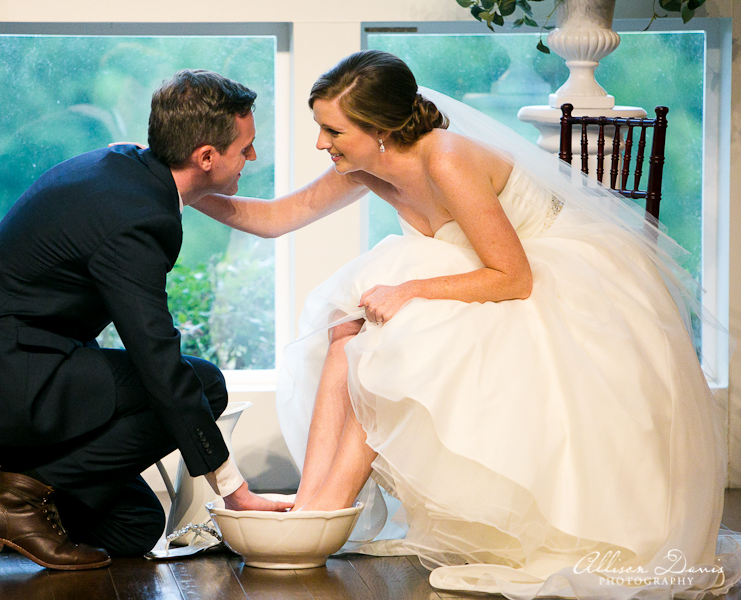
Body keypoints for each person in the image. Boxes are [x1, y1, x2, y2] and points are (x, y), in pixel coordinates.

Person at [193, 50, 738, 598]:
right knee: (346, 319)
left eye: (332, 130)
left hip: (538, 277)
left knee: (389, 339)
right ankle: (315, 506)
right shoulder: (366, 163)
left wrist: (408, 291)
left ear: (380, 129)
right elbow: (276, 217)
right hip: (472, 273)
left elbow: (513, 276)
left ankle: (324, 513)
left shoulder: (446, 160)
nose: (321, 143)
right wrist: (184, 188)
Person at [0, 69, 292, 572]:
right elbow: (156, 360)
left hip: (4, 366)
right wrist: (234, 489)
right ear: (205, 157)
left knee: (132, 523)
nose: (253, 159)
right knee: (204, 383)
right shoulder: (139, 220)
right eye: (246, 148)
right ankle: (17, 503)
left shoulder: (121, 165)